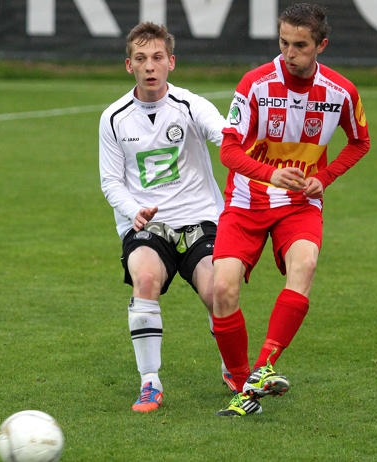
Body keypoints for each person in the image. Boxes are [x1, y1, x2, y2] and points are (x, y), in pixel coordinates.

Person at [212, 3, 371, 417]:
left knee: (306, 265)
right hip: (247, 200)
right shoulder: (254, 84)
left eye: (300, 45)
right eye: (283, 42)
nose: (288, 53)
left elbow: (359, 142)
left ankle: (262, 370)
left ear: (321, 45)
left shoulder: (341, 92)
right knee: (222, 290)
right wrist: (269, 173)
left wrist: (327, 176)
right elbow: (228, 150)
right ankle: (241, 376)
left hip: (299, 203)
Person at [99, 22, 233, 413]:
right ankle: (150, 383)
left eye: (157, 57)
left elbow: (222, 135)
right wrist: (132, 211)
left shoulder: (192, 105)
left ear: (171, 62)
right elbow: (110, 181)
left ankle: (233, 368)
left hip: (199, 218)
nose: (150, 66)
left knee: (216, 291)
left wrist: (237, 145)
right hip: (146, 223)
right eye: (141, 59)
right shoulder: (114, 118)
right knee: (144, 278)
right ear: (129, 66)